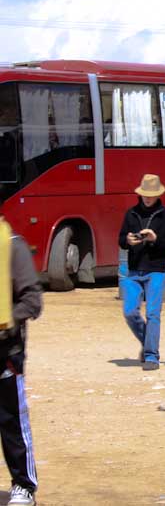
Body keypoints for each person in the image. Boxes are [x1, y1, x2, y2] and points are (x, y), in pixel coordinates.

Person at [0, 217, 43, 506]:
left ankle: (23, 485)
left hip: (5, 351)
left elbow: (33, 301)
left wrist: (8, 320)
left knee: (11, 421)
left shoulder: (13, 247)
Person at [118, 174, 165, 371]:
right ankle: (148, 345)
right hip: (134, 269)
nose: (147, 198)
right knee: (129, 311)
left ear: (158, 195)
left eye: (151, 194)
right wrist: (127, 240)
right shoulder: (131, 214)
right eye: (145, 194)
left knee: (153, 313)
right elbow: (120, 239)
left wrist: (154, 239)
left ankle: (152, 355)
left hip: (156, 270)